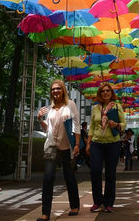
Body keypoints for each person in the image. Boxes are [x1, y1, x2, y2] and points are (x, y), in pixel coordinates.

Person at [36, 79, 81, 219]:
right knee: (48, 177)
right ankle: (45, 214)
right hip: (51, 145)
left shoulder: (70, 105)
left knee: (69, 176)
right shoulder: (49, 109)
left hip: (67, 145)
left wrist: (77, 145)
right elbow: (48, 129)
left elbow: (76, 126)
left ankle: (74, 205)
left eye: (58, 88)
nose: (55, 91)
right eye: (53, 89)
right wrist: (39, 119)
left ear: (63, 91)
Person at [86, 82, 126, 213]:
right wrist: (88, 143)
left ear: (111, 93)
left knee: (110, 174)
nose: (105, 93)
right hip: (96, 143)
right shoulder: (96, 108)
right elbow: (91, 126)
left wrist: (117, 124)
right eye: (103, 91)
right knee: (95, 171)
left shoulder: (117, 106)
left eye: (108, 90)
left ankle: (109, 203)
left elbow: (124, 124)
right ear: (100, 94)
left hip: (113, 143)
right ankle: (97, 201)